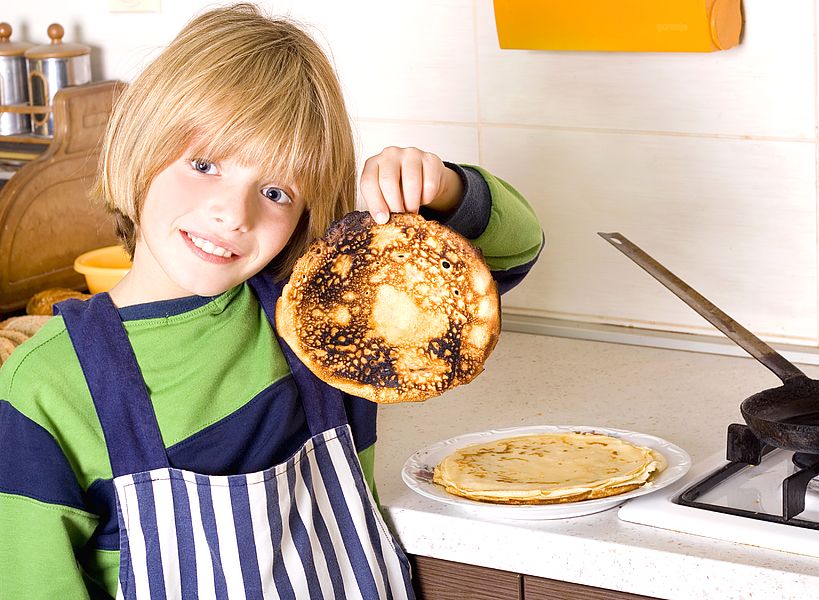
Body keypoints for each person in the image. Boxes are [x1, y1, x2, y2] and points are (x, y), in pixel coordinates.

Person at [0, 4, 543, 599]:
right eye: (204, 164)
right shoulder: (45, 388)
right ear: (138, 145)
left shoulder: (321, 315)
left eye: (277, 190)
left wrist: (443, 188)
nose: (234, 213)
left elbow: (515, 251)